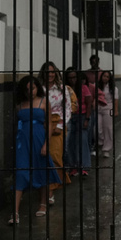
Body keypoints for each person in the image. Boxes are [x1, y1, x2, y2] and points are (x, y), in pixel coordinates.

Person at [11, 75, 60, 224]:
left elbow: (50, 123)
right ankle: (15, 212)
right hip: (23, 142)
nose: (30, 92)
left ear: (37, 87)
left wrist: (47, 144)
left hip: (39, 139)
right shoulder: (19, 105)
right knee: (20, 172)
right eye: (26, 90)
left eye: (32, 88)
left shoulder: (44, 102)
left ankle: (43, 203)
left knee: (41, 170)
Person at [38, 61, 72, 203]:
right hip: (41, 124)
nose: (50, 74)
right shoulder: (39, 89)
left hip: (57, 123)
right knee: (43, 157)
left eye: (52, 71)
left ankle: (52, 189)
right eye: (47, 72)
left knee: (55, 156)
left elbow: (68, 108)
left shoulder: (62, 89)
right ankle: (47, 190)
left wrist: (61, 124)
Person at [64, 67, 92, 175]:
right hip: (69, 117)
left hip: (82, 116)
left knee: (82, 141)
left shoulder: (83, 88)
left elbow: (89, 103)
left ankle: (84, 166)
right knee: (70, 142)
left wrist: (87, 119)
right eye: (70, 78)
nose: (72, 80)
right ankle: (73, 166)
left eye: (74, 77)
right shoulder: (65, 89)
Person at [97, 70, 118, 164]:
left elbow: (116, 100)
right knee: (98, 128)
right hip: (98, 108)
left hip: (108, 108)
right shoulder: (98, 87)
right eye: (104, 76)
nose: (105, 78)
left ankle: (106, 149)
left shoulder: (113, 88)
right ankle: (101, 142)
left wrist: (116, 110)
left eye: (107, 76)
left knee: (108, 129)